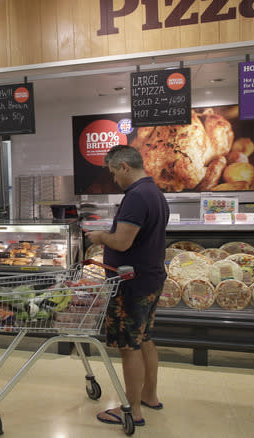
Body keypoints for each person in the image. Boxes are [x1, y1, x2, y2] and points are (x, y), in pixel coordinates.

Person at [84, 145, 169, 428]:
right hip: (151, 277)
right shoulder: (155, 192)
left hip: (130, 283)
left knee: (128, 347)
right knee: (144, 338)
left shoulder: (135, 196)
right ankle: (149, 395)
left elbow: (122, 242)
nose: (114, 180)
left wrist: (100, 237)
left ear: (124, 166)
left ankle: (132, 411)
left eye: (113, 173)